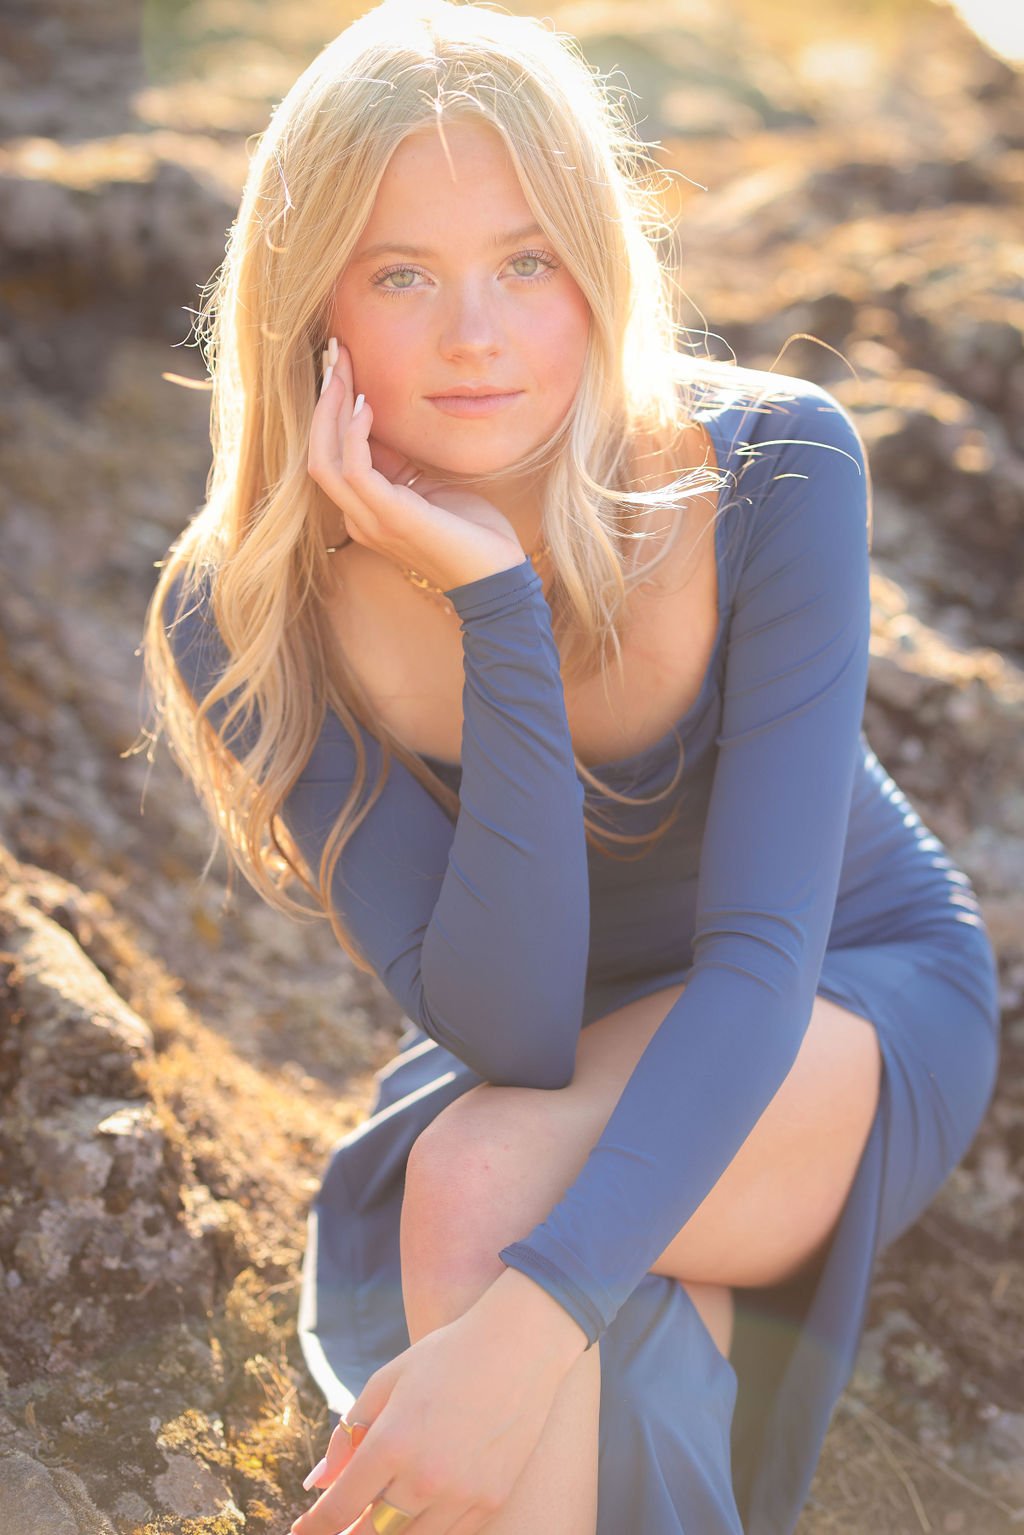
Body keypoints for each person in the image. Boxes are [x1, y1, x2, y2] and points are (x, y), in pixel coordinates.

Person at [140, 2, 1002, 1532]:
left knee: (481, 1191)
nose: (477, 333)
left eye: (526, 262)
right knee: (500, 1179)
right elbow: (517, 1029)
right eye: (404, 273)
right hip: (559, 1052)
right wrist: (496, 617)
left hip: (830, 1001)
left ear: (596, 270)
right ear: (309, 303)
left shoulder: (772, 468)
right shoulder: (243, 610)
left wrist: (527, 1334)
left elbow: (755, 964)